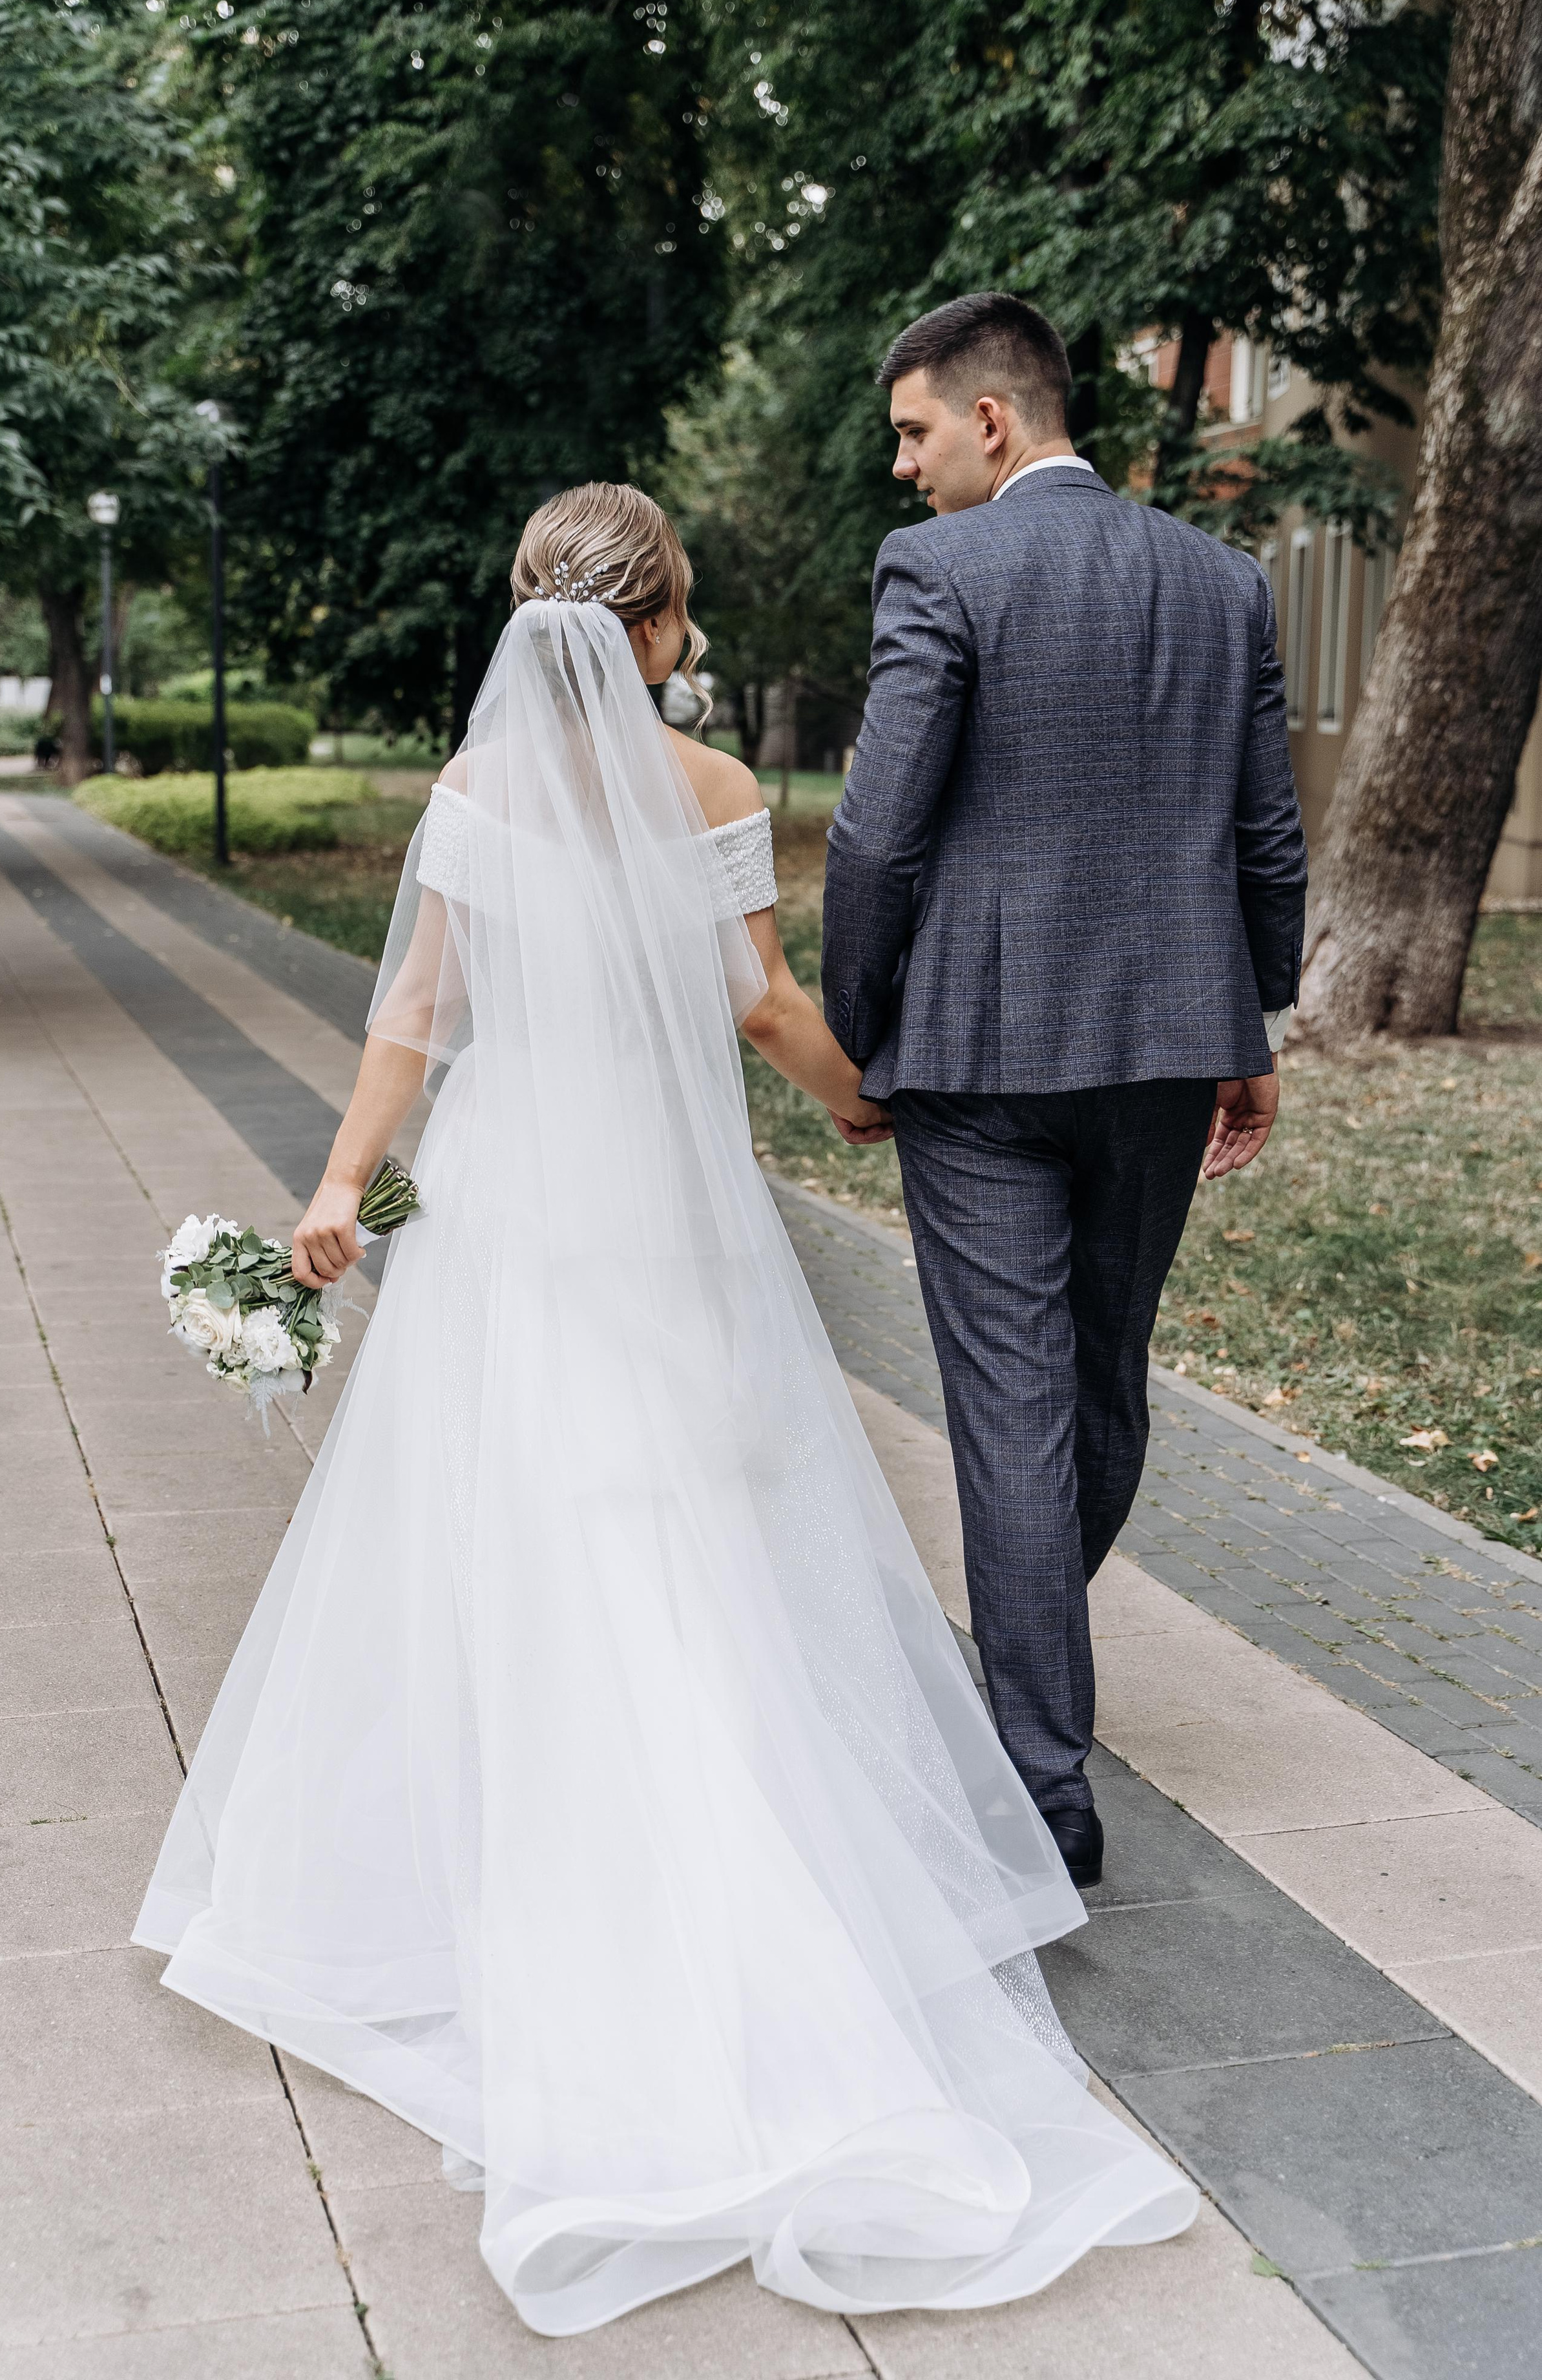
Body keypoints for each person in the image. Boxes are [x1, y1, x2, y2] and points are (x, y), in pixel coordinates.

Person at [134, 482, 1196, 2337]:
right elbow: (759, 1001)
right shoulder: (711, 791)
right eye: (681, 608)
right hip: (659, 1206)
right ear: (649, 630)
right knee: (681, 1514)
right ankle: (703, 1838)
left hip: (509, 1201)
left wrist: (339, 1184)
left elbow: (414, 1017)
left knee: (513, 1510)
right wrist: (866, 1099)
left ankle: (525, 1840)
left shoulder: (472, 795)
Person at [822, 294, 1308, 1890]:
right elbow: (1264, 834)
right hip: (1167, 1045)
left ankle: (1041, 1782)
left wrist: (860, 1028)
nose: (902, 469)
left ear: (989, 419)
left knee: (1013, 1412)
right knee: (1100, 1381)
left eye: (911, 433)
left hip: (974, 1057)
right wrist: (1250, 1023)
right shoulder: (1221, 582)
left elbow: (876, 834)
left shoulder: (938, 572)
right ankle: (1034, 1696)